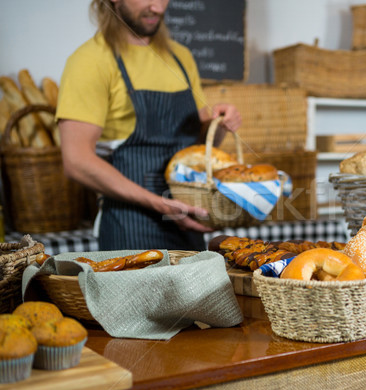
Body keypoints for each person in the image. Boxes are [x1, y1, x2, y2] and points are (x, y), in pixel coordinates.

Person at [56, 0, 241, 251]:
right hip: (129, 229)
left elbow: (198, 147)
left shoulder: (181, 58)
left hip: (187, 227)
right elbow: (76, 161)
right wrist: (160, 204)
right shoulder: (90, 61)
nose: (158, 7)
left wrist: (220, 124)